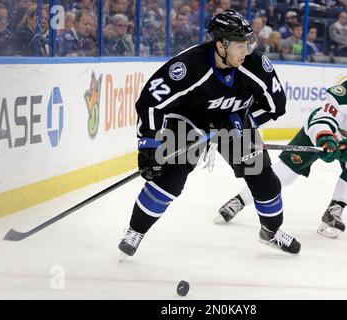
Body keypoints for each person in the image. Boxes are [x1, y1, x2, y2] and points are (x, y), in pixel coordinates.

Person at [118, 9, 301, 257]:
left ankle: (271, 232)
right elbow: (150, 102)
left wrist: (242, 120)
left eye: (249, 44)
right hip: (189, 120)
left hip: (235, 121)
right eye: (239, 46)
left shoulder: (257, 66)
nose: (246, 51)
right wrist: (149, 146)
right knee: (168, 180)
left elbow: (276, 106)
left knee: (264, 179)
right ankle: (135, 230)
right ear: (220, 45)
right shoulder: (188, 66)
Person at [217, 56, 347, 239]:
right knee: (284, 173)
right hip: (321, 136)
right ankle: (239, 201)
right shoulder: (339, 93)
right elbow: (322, 121)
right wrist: (326, 138)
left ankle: (335, 208)